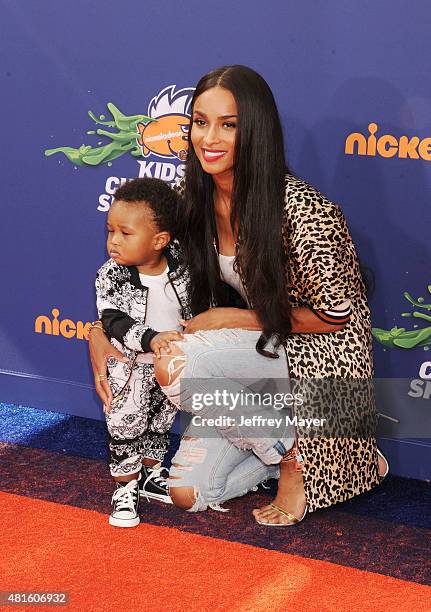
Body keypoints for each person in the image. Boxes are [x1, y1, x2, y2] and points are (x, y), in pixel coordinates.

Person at [90, 65, 387, 526]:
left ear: (256, 131)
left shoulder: (305, 209)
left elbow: (334, 316)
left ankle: (299, 457)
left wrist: (232, 317)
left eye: (228, 125)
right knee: (188, 492)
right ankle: (322, 453)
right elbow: (137, 268)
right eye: (200, 122)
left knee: (178, 363)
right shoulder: (192, 196)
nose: (209, 137)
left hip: (320, 359)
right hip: (251, 359)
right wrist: (99, 331)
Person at [91, 177, 191, 527]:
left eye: (125, 233)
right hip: (128, 367)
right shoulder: (110, 276)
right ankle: (125, 487)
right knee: (125, 425)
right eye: (110, 231)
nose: (113, 241)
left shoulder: (183, 266)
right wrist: (150, 339)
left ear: (161, 241)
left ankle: (151, 474)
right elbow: (113, 320)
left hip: (169, 366)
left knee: (160, 423)